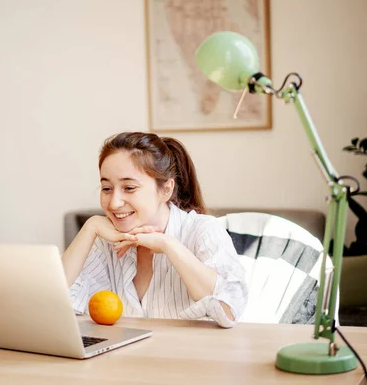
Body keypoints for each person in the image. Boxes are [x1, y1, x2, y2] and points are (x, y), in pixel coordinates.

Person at [62, 132, 248, 328]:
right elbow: (56, 304)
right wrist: (89, 227)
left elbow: (229, 311)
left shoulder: (202, 229)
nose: (115, 203)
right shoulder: (105, 238)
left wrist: (168, 245)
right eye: (107, 189)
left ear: (166, 190)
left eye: (129, 188)